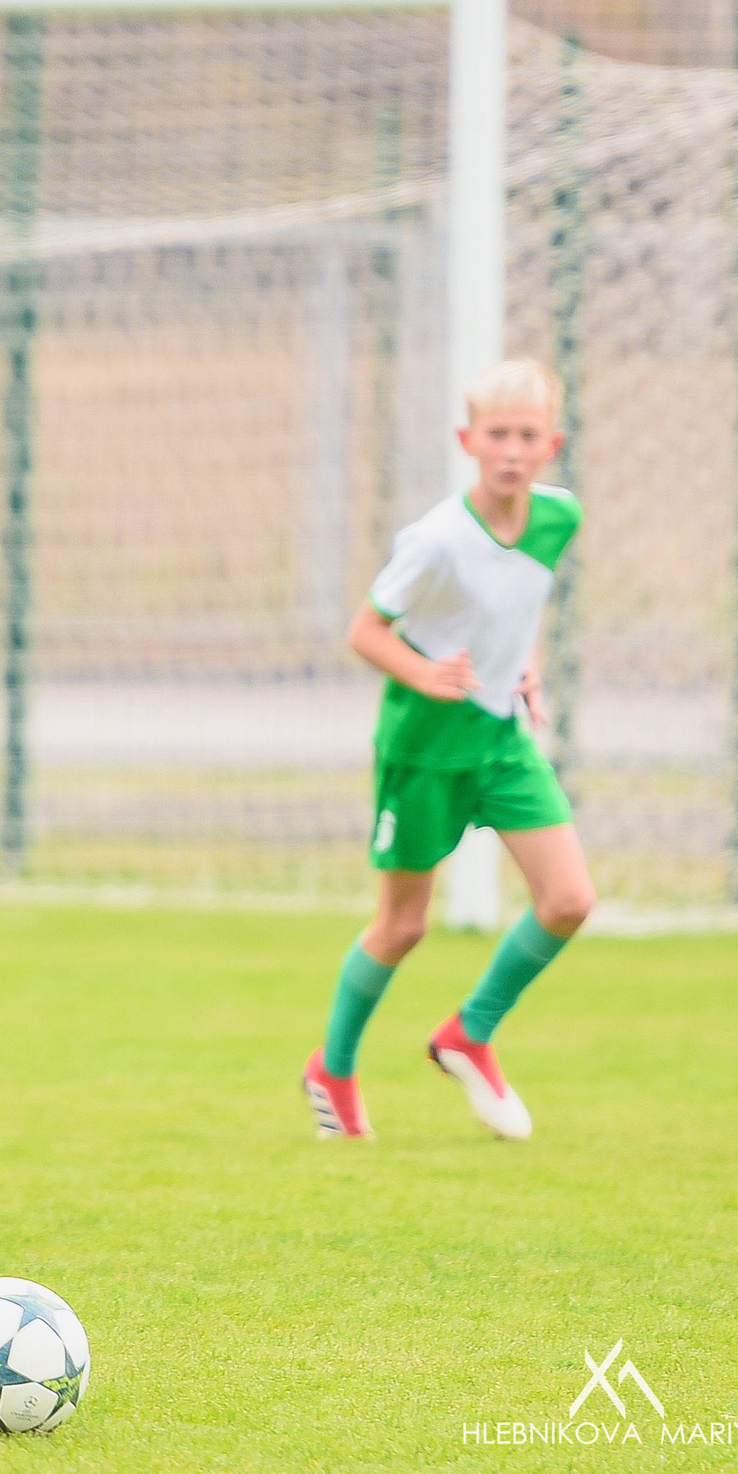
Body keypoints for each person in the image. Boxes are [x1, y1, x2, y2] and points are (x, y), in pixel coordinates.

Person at [302, 359, 598, 1142]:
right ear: (468, 440)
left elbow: (517, 601)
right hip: (423, 751)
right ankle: (332, 1066)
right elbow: (364, 631)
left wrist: (520, 665)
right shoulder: (434, 539)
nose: (511, 449)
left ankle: (470, 1032)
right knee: (403, 925)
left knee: (569, 899)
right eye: (496, 434)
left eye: (527, 436)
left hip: (501, 742)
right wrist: (425, 672)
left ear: (551, 445)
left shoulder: (557, 519)